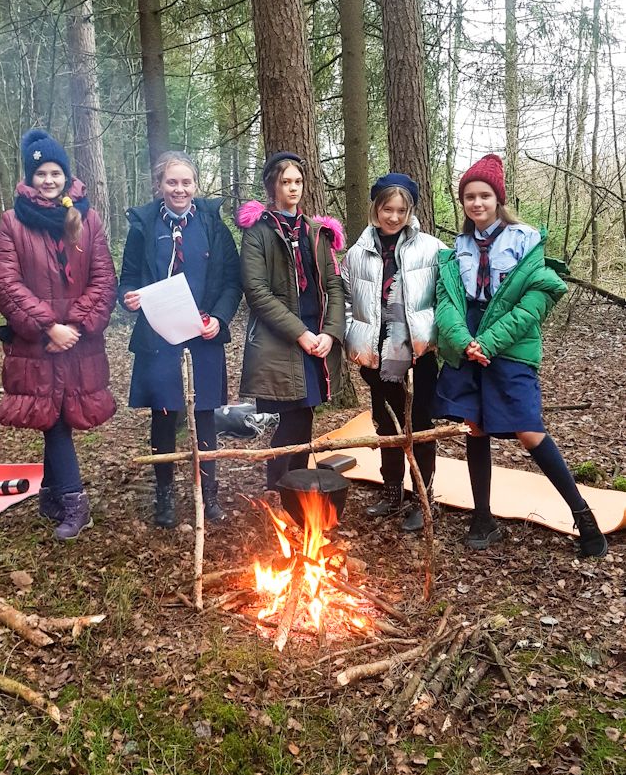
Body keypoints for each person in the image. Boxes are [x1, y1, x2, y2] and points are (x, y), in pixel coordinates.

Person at [434, 153, 608, 557]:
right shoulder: (458, 247)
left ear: (499, 198)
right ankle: (483, 517)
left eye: (484, 195)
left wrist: (489, 342)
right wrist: (464, 341)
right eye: (469, 197)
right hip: (467, 341)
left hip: (510, 343)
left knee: (529, 429)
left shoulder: (525, 240)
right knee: (474, 427)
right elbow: (446, 300)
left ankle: (583, 515)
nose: (477, 203)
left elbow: (536, 301)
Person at [0, 129, 117, 540]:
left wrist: (76, 325)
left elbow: (103, 278)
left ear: (66, 175)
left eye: (55, 173)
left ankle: (52, 494)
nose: (48, 180)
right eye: (41, 173)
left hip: (78, 343)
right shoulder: (12, 222)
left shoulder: (87, 218)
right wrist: (49, 325)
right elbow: (7, 284)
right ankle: (73, 500)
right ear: (30, 178)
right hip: (38, 343)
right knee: (54, 418)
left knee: (59, 415)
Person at [118, 151, 242, 527]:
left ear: (196, 185)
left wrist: (219, 318)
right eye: (171, 182)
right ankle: (165, 496)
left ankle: (209, 495)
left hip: (203, 335)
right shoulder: (143, 227)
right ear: (159, 185)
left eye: (186, 182)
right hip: (159, 339)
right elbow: (127, 280)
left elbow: (232, 281)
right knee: (164, 415)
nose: (179, 189)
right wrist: (128, 298)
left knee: (204, 415)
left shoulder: (212, 224)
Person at [237, 152, 345, 490]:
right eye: (286, 182)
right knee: (292, 418)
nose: (293, 188)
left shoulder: (317, 232)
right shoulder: (258, 232)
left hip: (317, 337)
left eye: (298, 181)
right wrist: (299, 333)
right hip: (279, 341)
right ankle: (280, 486)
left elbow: (334, 285)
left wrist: (330, 333)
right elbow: (256, 292)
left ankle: (295, 487)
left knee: (305, 415)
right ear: (273, 186)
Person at [341, 173, 443, 531]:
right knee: (386, 422)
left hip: (419, 352)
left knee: (421, 424)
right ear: (376, 208)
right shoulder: (357, 253)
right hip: (376, 353)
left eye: (402, 210)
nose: (394, 217)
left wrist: (427, 337)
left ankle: (423, 497)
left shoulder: (432, 249)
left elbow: (445, 298)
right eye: (388, 209)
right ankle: (391, 490)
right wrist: (355, 338)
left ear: (410, 211)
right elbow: (347, 302)